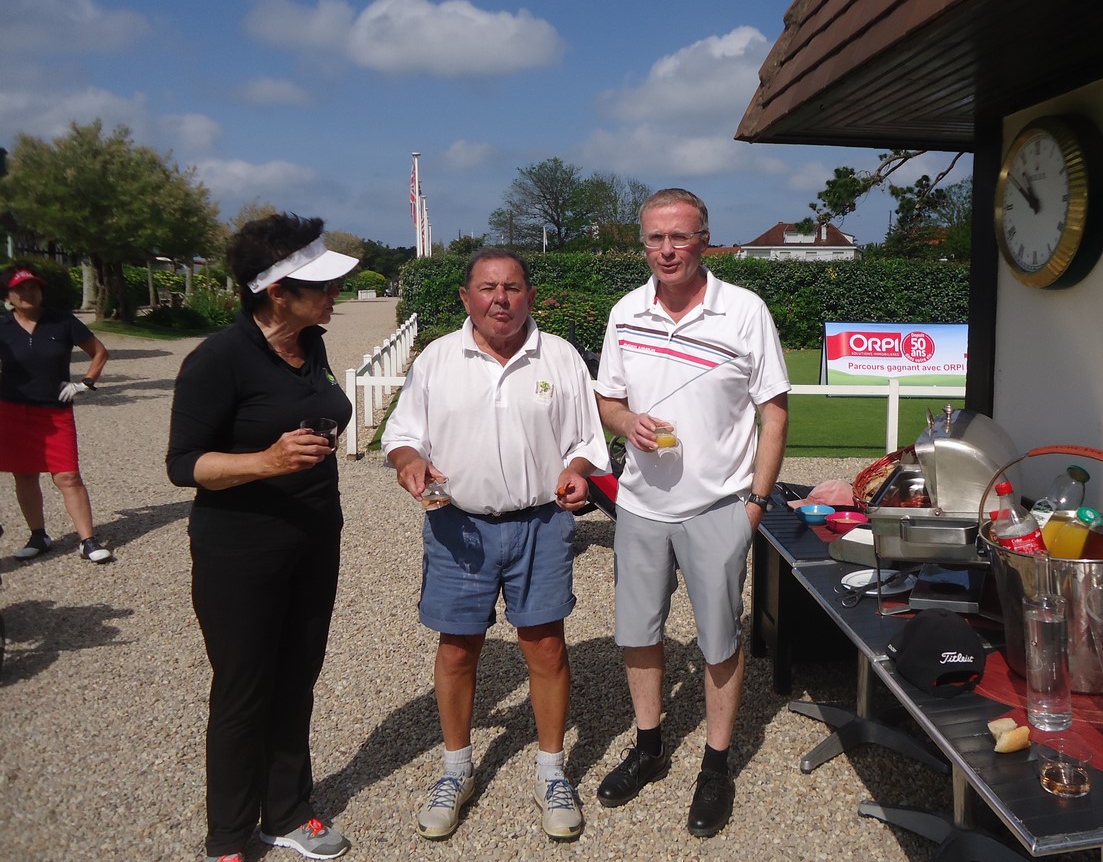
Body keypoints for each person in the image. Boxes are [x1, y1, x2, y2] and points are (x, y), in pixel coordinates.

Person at [382, 248, 608, 843]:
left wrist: (577, 470)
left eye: (511, 287)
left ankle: (552, 771)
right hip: (458, 526)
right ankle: (455, 769)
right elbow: (402, 435)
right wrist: (408, 463)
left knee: (546, 647)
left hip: (542, 523)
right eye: (487, 288)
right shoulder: (437, 358)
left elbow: (586, 440)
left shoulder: (559, 356)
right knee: (458, 648)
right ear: (466, 297)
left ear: (530, 294)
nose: (500, 299)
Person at [593, 188, 790, 838]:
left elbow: (774, 413)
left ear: (704, 239)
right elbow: (608, 401)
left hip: (719, 507)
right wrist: (625, 422)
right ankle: (649, 748)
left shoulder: (744, 310)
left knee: (718, 641)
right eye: (655, 238)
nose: (667, 250)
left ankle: (715, 765)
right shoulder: (626, 312)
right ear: (643, 243)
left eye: (680, 236)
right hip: (641, 507)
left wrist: (755, 504)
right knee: (638, 634)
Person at [166, 214, 358, 862]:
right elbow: (182, 464)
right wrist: (265, 461)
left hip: (314, 539)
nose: (334, 295)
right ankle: (227, 837)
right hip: (240, 549)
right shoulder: (218, 359)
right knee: (243, 690)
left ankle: (287, 811)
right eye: (321, 285)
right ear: (277, 291)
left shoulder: (311, 345)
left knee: (297, 679)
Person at [0, 264, 111, 563]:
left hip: (54, 411)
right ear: (8, 295)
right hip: (12, 410)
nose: (28, 293)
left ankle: (88, 540)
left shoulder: (62, 322)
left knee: (68, 476)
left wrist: (85, 383)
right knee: (24, 474)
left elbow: (99, 352)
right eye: (20, 288)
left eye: (33, 287)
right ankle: (38, 536)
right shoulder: (3, 327)